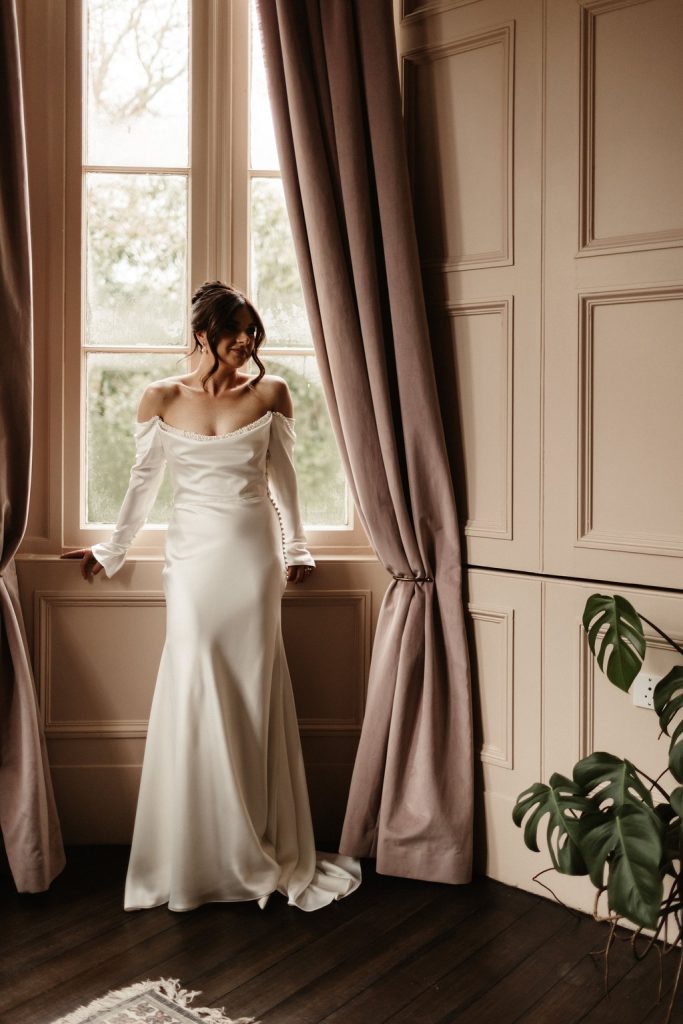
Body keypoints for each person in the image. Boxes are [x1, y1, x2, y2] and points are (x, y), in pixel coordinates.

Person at [61, 281, 362, 912]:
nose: (247, 341)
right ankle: (198, 850)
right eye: (235, 331)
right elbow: (143, 486)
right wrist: (111, 550)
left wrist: (298, 546)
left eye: (252, 331)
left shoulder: (271, 393)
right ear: (203, 334)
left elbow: (285, 478)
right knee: (197, 684)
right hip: (193, 561)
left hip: (251, 559)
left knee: (252, 692)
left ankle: (255, 843)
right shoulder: (160, 397)